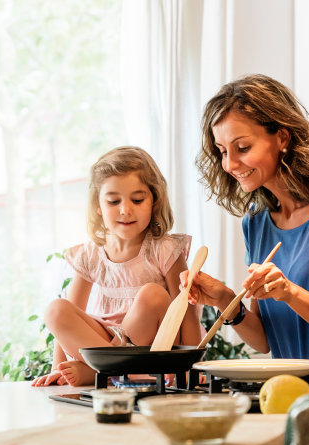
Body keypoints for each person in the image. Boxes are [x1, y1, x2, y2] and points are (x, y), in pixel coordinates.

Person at [182, 74, 309, 369]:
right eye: (222, 151)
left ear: (282, 137)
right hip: (286, 394)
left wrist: (290, 293)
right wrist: (226, 300)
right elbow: (265, 339)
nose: (229, 164)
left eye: (242, 148)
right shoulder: (256, 222)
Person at [32, 146, 202, 387]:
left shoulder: (164, 249)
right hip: (106, 342)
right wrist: (56, 368)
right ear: (98, 206)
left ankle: (104, 372)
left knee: (152, 294)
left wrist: (189, 369)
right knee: (56, 310)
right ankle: (119, 372)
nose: (125, 210)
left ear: (154, 200)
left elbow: (186, 313)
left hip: (150, 349)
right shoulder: (90, 254)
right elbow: (72, 312)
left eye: (137, 199)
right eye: (113, 201)